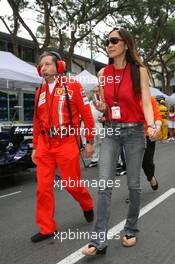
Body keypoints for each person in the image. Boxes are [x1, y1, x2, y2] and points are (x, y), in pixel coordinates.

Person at [82, 27, 157, 255]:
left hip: (135, 132)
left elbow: (145, 102)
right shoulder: (103, 73)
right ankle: (98, 241)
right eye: (108, 41)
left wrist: (151, 125)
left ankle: (131, 228)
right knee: (104, 184)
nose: (110, 44)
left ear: (126, 44)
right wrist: (100, 106)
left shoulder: (139, 70)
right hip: (111, 131)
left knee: (133, 184)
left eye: (114, 40)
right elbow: (105, 105)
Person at [31, 51, 95, 243]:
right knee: (43, 188)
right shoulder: (39, 92)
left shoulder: (73, 86)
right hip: (44, 145)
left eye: (47, 64)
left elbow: (87, 114)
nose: (43, 68)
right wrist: (35, 146)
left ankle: (87, 205)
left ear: (59, 66)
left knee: (70, 183)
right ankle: (47, 227)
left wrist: (89, 140)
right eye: (41, 65)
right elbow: (36, 122)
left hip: (67, 142)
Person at [88, 86, 103, 167]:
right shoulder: (91, 101)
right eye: (94, 91)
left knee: (103, 142)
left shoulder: (103, 99)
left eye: (97, 91)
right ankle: (94, 159)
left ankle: (106, 159)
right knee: (95, 143)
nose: (95, 93)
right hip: (93, 124)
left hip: (101, 124)